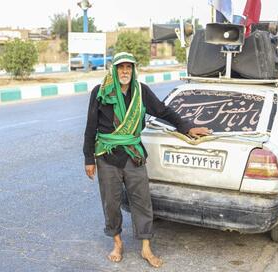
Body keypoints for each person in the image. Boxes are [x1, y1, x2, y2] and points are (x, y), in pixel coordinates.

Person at [83, 52, 211, 268]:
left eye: (128, 67)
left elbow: (163, 111)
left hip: (133, 155)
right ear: (114, 70)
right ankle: (117, 243)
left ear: (133, 70)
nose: (124, 71)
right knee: (111, 203)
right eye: (120, 67)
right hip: (107, 156)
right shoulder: (100, 92)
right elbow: (90, 126)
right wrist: (89, 158)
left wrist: (188, 127)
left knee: (142, 202)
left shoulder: (141, 91)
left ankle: (145, 247)